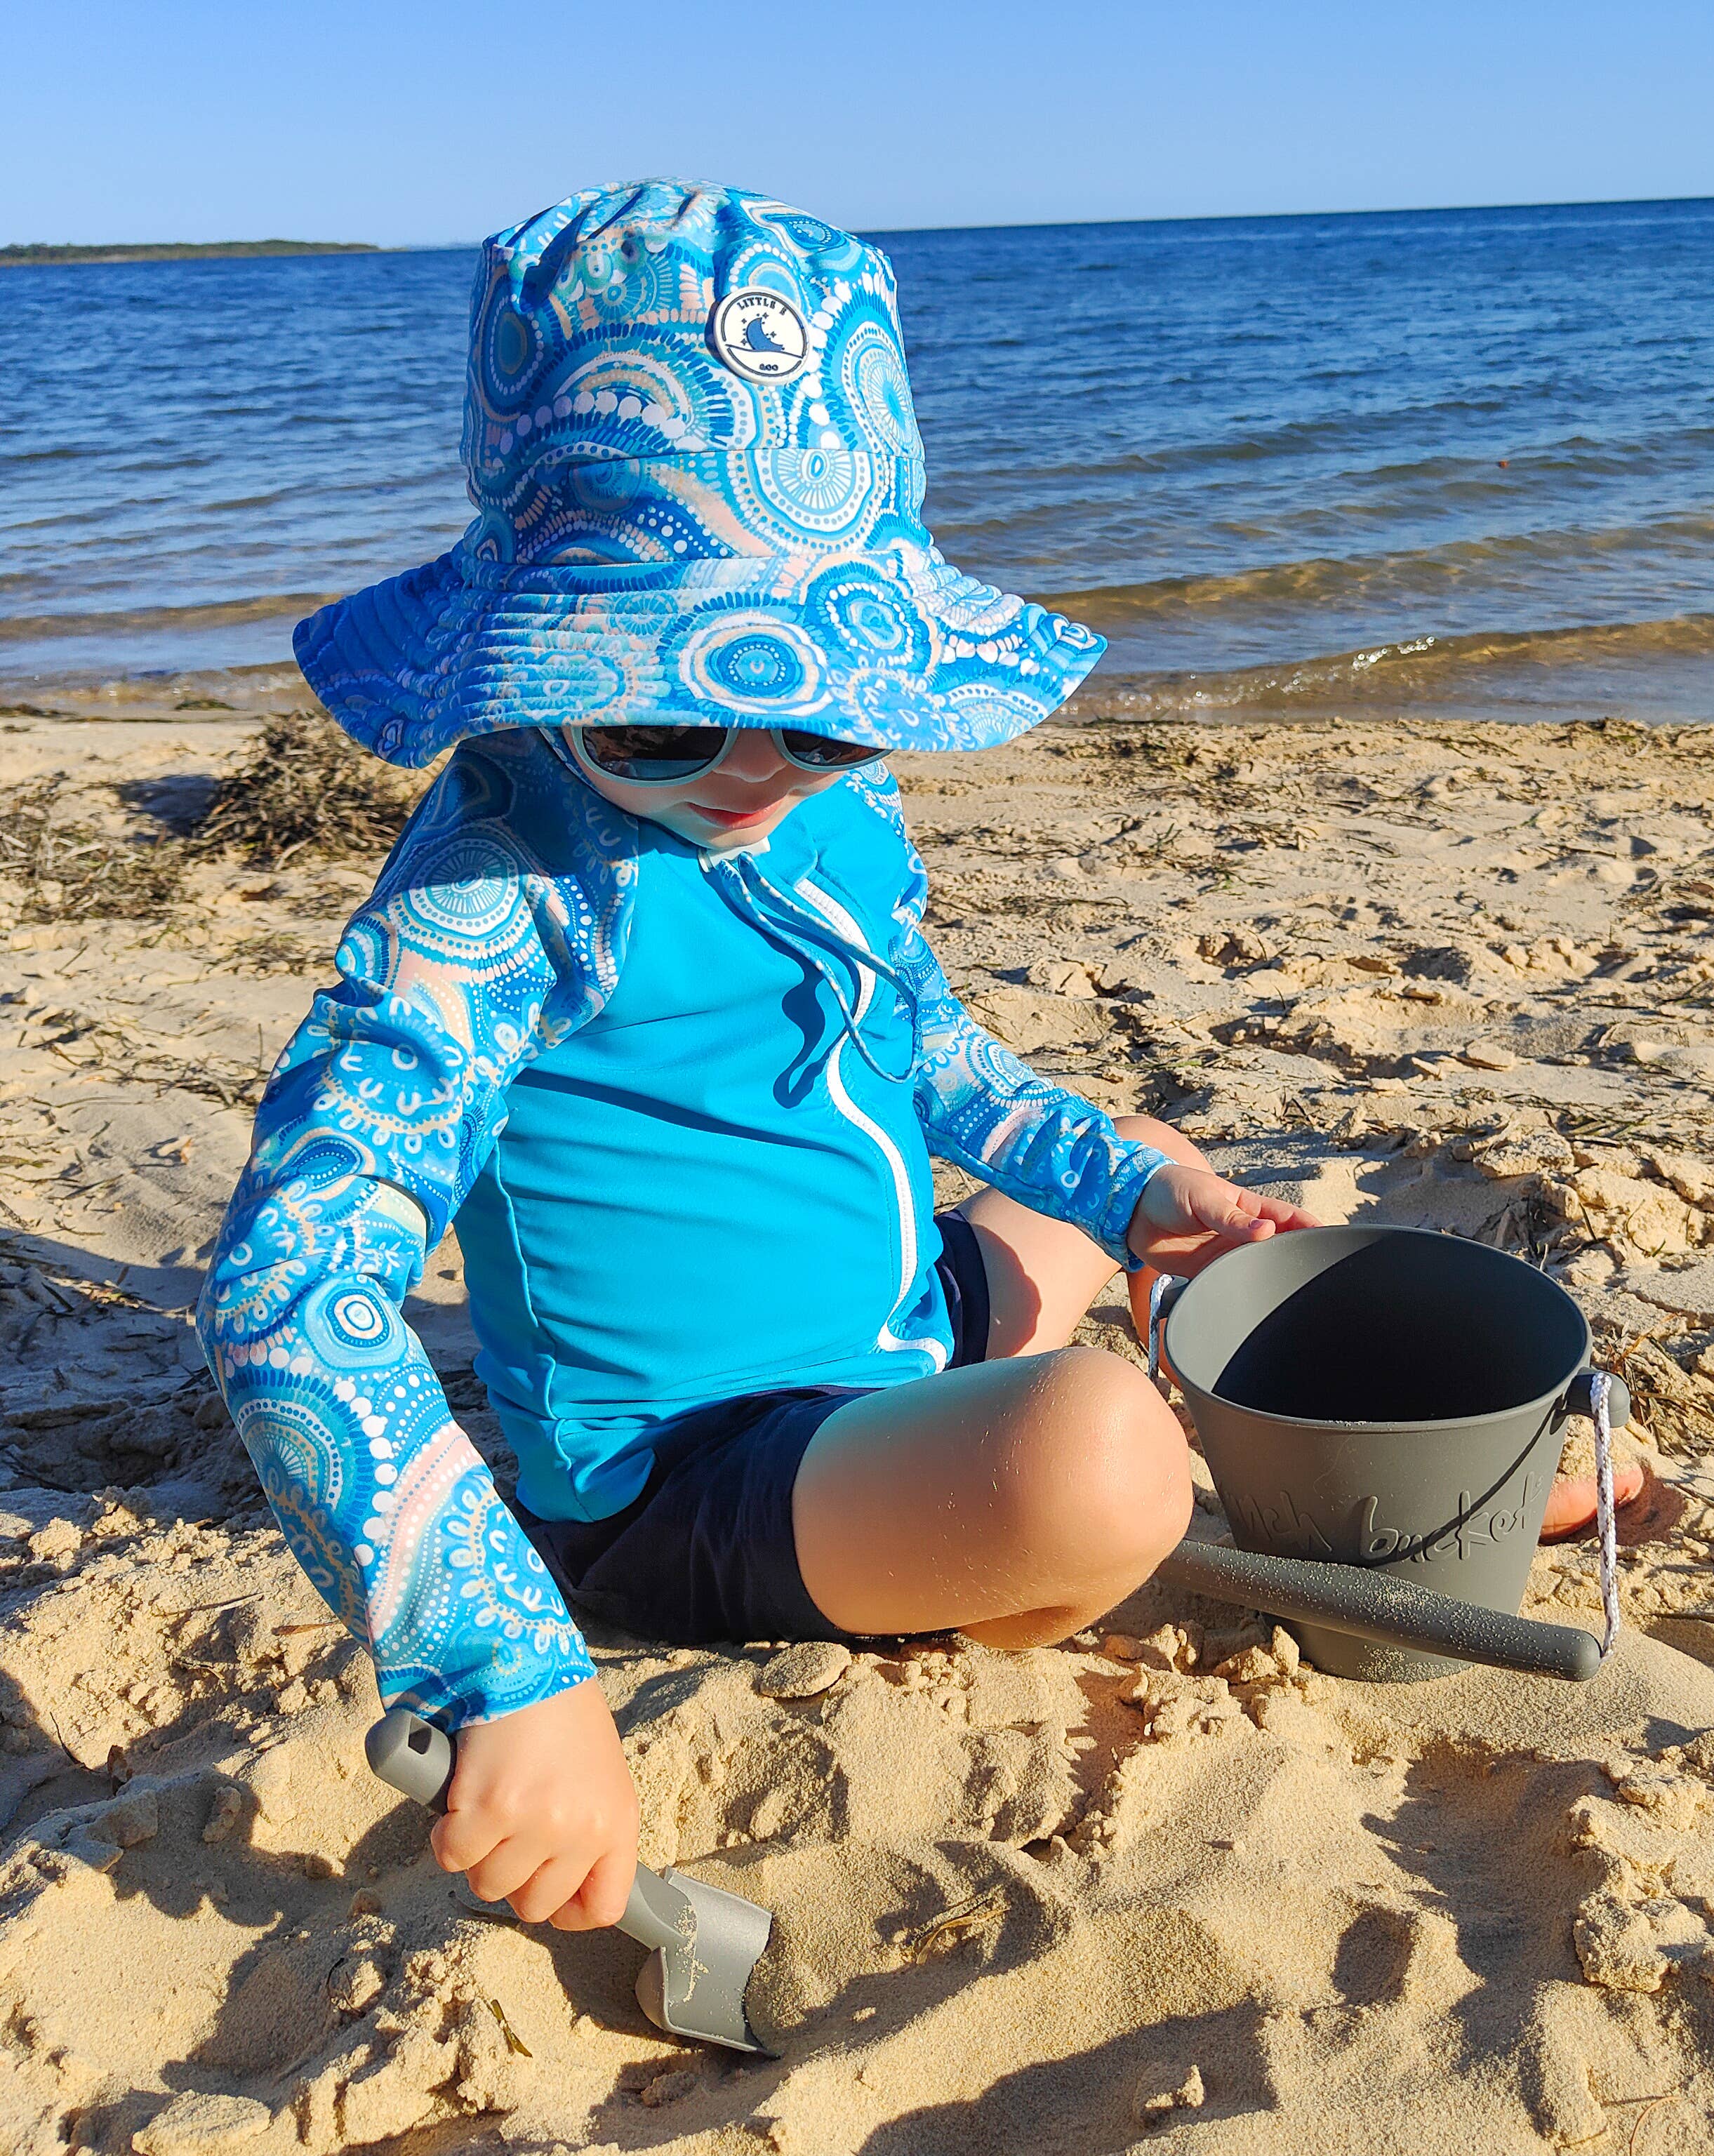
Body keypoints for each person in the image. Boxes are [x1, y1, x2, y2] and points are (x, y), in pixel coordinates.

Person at [199, 180, 1630, 1945]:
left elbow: (935, 1059)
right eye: (654, 709)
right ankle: (1307, 1544)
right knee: (1103, 1453)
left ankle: (1336, 1494)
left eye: (819, 703)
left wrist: (1130, 1189)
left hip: (893, 1321)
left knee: (1139, 1167)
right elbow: (289, 1287)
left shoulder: (836, 812)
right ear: (532, 648)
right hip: (693, 1470)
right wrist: (508, 1671)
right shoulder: (498, 896)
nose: (752, 767)